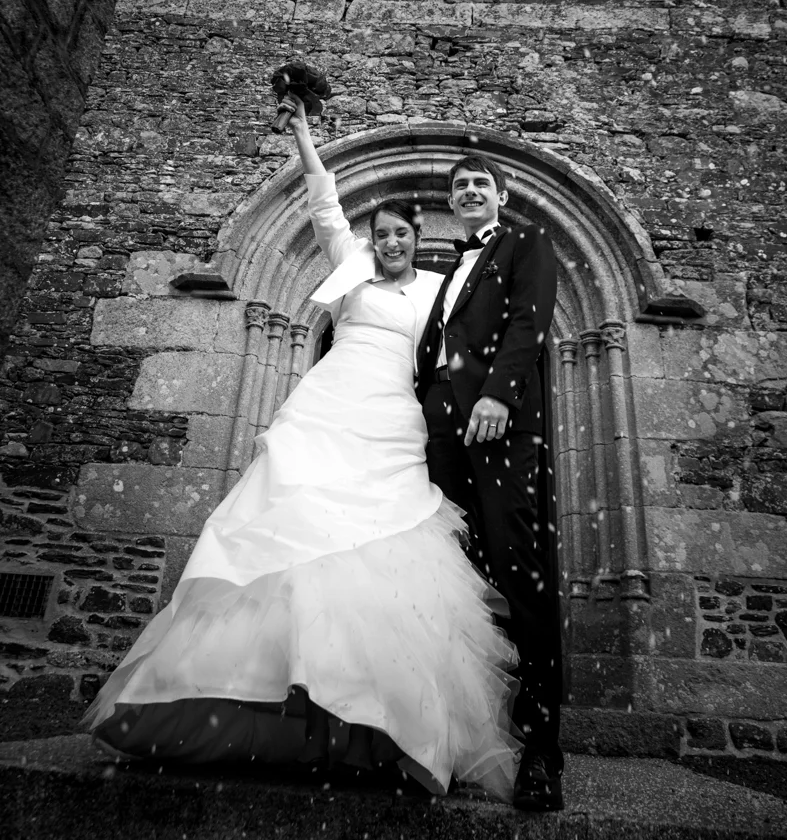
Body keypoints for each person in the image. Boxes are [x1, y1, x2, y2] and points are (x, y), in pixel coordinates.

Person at [84, 99, 522, 801]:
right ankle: (248, 699)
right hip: (329, 403)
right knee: (291, 521)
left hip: (391, 418)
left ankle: (367, 722)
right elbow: (323, 205)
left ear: (418, 239)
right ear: (372, 240)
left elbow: (464, 347)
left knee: (379, 538)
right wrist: (303, 135)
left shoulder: (439, 293)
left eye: (401, 233)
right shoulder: (350, 271)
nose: (390, 241)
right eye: (381, 233)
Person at [415, 153, 562, 811]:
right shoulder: (449, 270)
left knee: (519, 569)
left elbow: (529, 321)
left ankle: (540, 750)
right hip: (442, 426)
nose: (470, 190)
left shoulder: (527, 241)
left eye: (481, 183)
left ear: (502, 194)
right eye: (460, 185)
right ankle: (463, 734)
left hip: (499, 421)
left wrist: (499, 393)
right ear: (451, 201)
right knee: (456, 571)